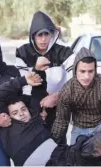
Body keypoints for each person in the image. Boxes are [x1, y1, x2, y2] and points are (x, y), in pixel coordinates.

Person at [0, 72, 101, 166]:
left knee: (89, 152)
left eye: (23, 109)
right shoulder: (7, 125)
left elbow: (38, 90)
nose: (21, 114)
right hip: (43, 163)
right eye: (15, 112)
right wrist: (23, 80)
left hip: (60, 156)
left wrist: (38, 71)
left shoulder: (34, 115)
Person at [51, 47, 101, 166]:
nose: (86, 76)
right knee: (76, 162)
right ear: (75, 70)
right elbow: (62, 121)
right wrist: (52, 144)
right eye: (82, 71)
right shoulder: (67, 90)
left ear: (95, 70)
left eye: (90, 71)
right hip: (79, 128)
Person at [15, 11, 74, 139]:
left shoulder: (63, 52)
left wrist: (58, 96)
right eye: (39, 35)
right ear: (33, 36)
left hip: (58, 104)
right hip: (32, 106)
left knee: (59, 145)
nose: (43, 39)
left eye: (46, 34)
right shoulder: (23, 53)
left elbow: (75, 78)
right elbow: (23, 84)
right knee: (36, 144)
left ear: (52, 34)